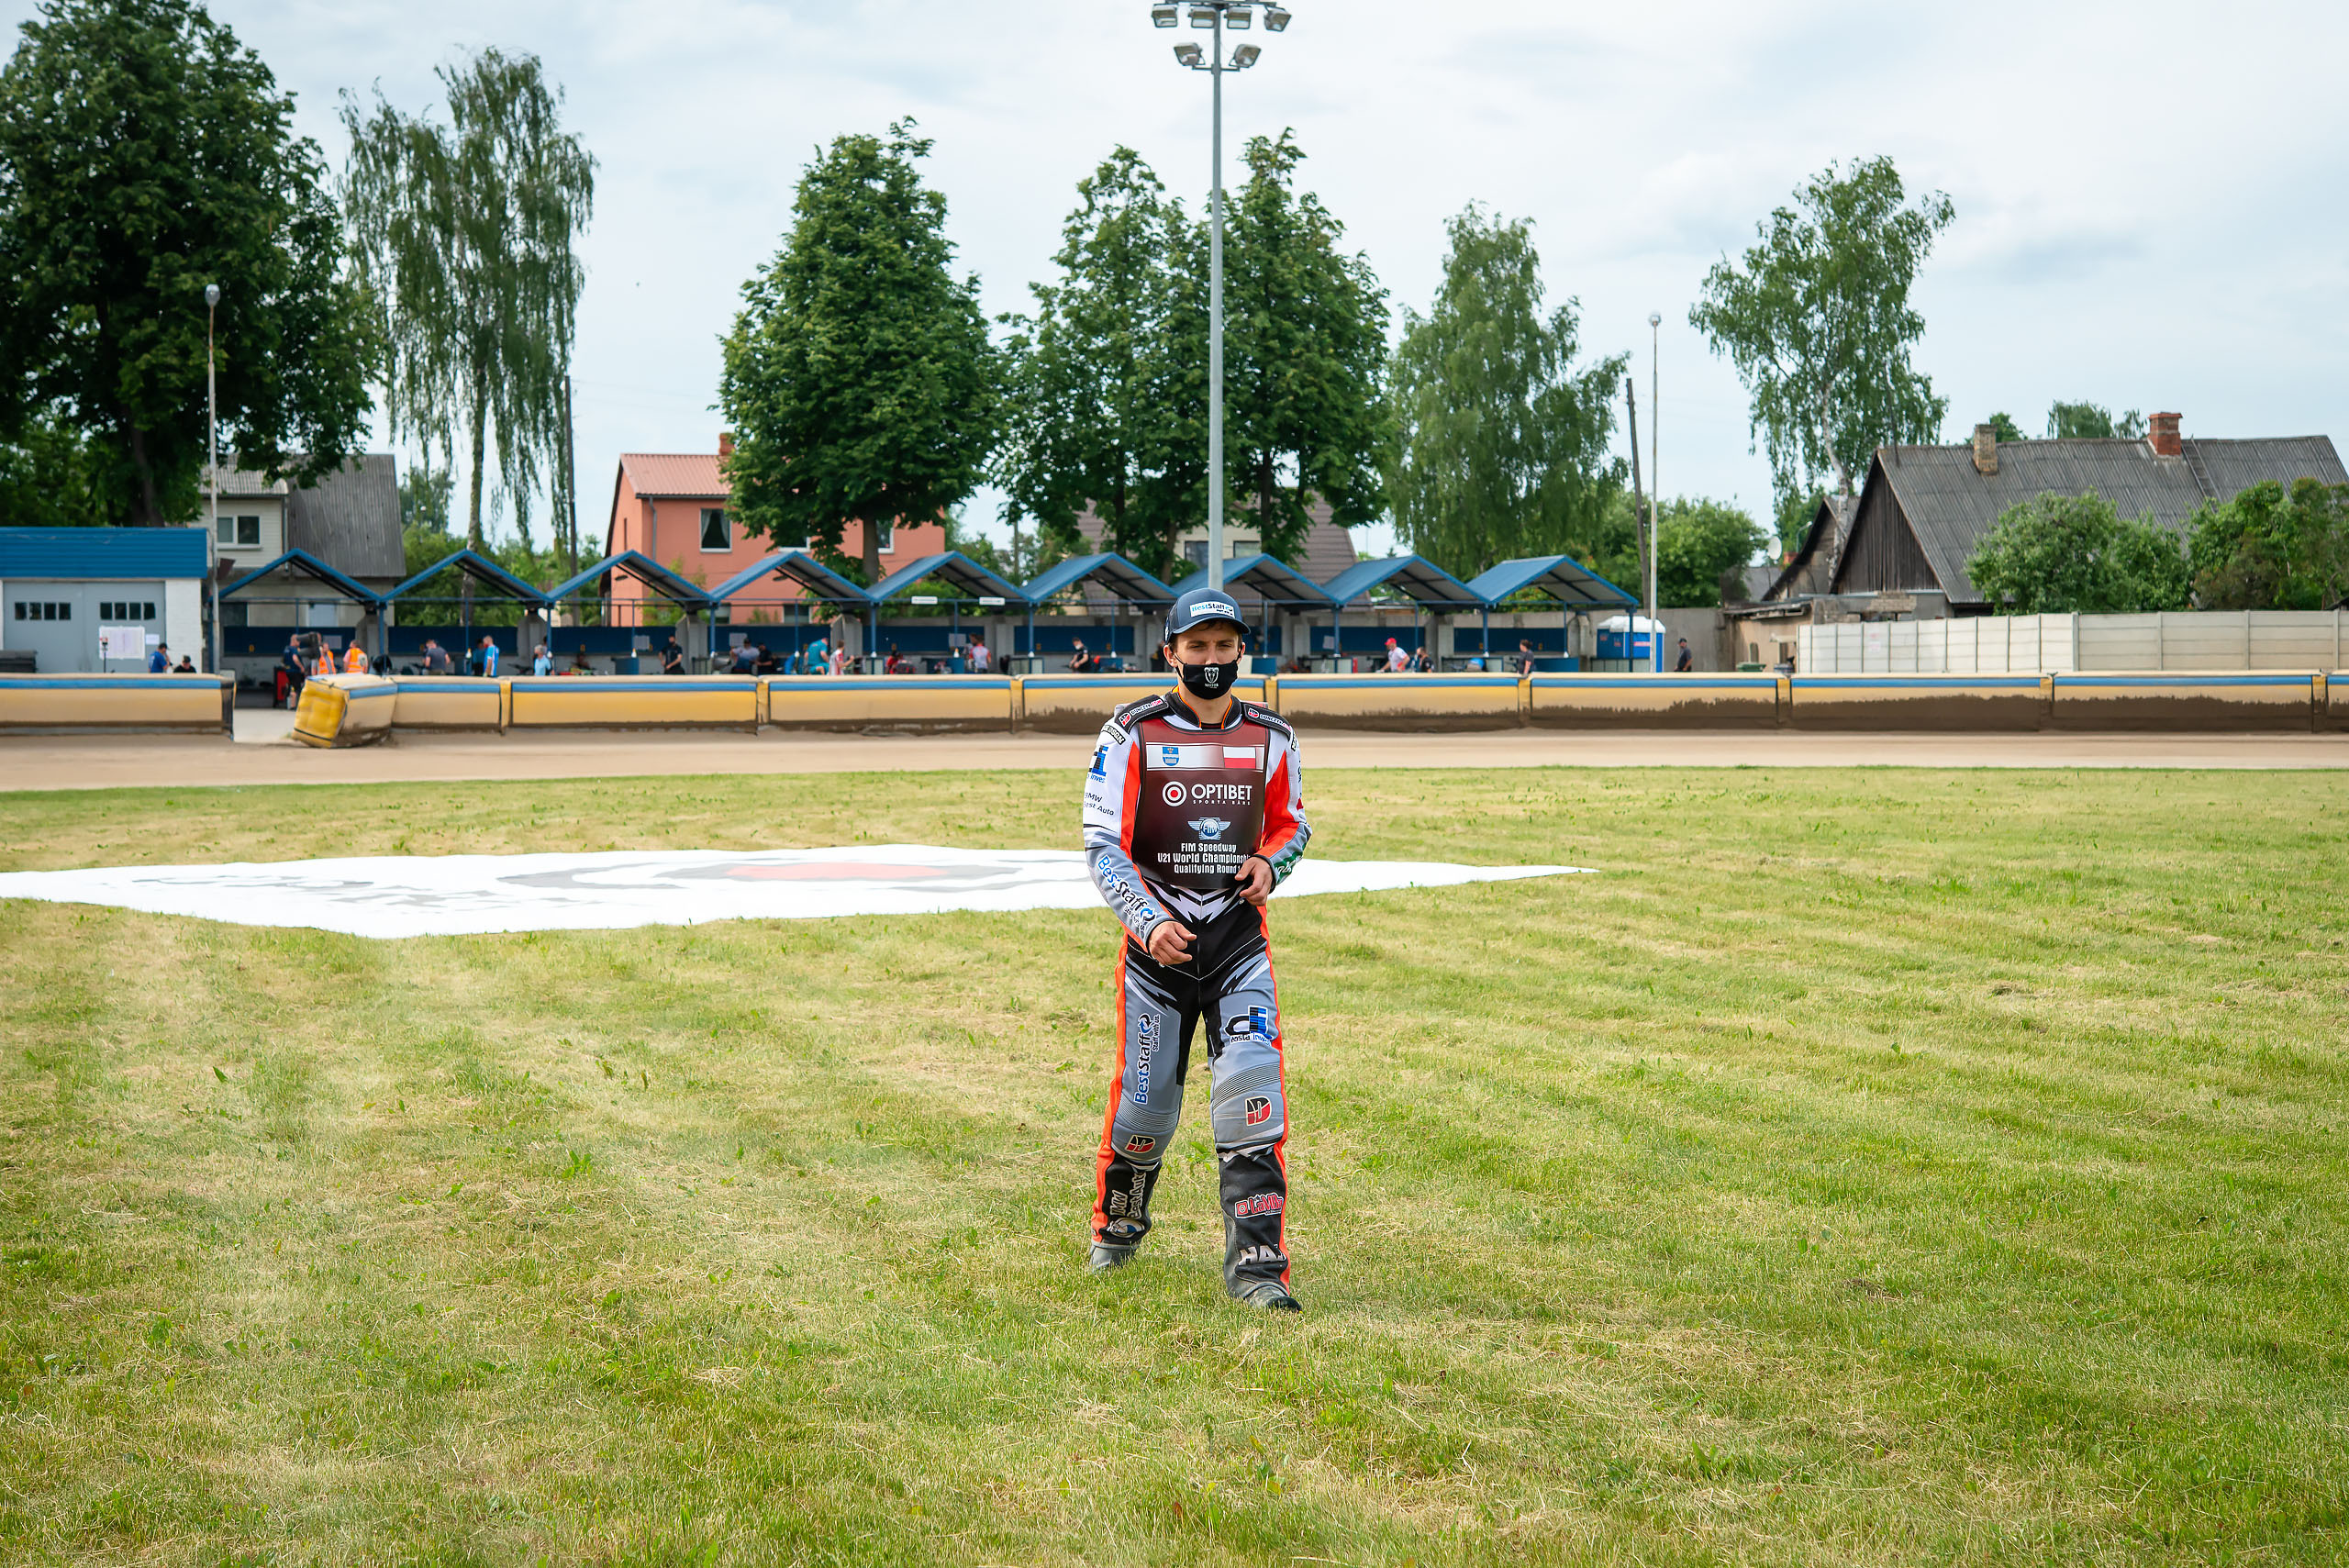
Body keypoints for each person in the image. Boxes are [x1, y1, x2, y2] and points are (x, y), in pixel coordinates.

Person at [1082, 587, 1311, 1313]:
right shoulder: (1129, 732)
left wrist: (1272, 864)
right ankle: (1117, 1229)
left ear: (1242, 649)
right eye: (1197, 645)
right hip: (1159, 951)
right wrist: (1148, 921)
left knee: (1251, 1096)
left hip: (1239, 941)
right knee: (1145, 1110)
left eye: (1223, 645)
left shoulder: (1275, 735)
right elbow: (1102, 847)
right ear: (1170, 651)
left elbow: (1294, 826)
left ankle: (1259, 1266)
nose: (1210, 659)